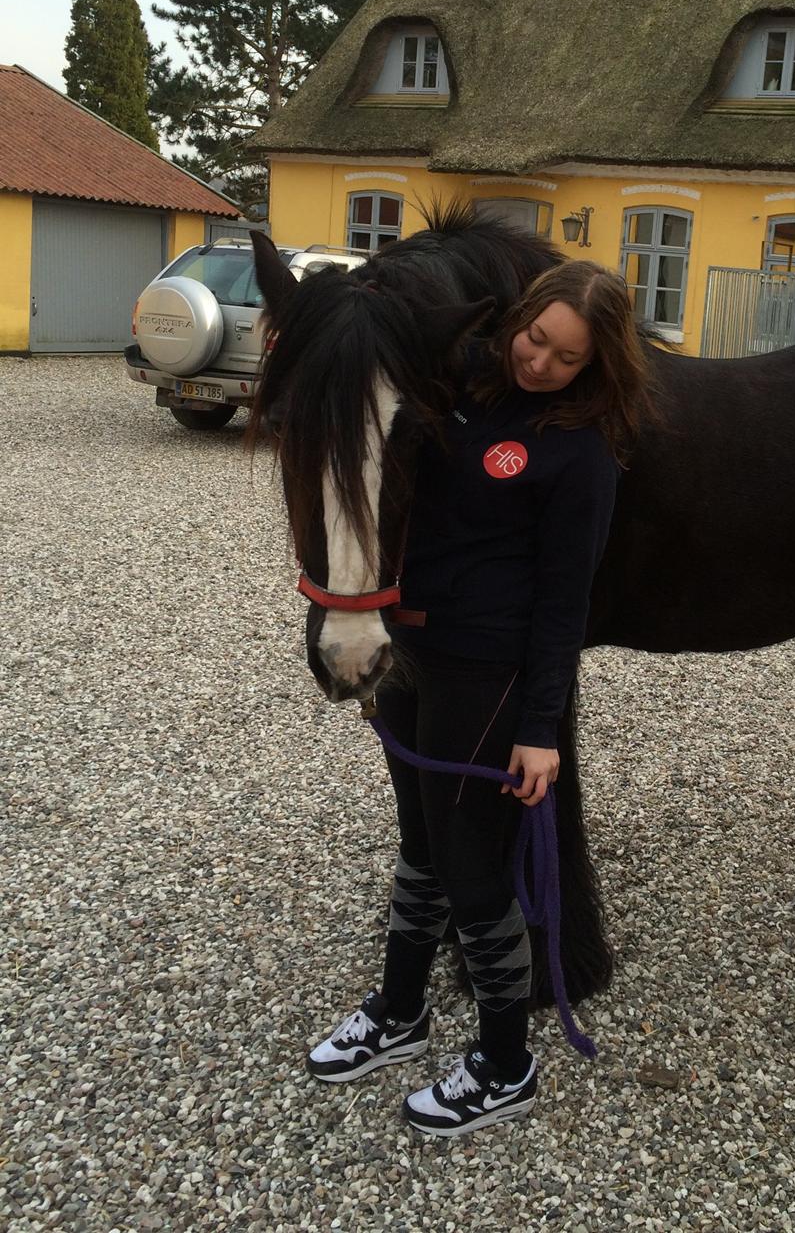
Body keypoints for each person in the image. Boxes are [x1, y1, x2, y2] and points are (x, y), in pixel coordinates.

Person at [306, 259, 652, 1137]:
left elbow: (564, 605)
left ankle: (505, 1063)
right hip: (408, 650)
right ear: (521, 315)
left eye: (566, 358)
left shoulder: (581, 455)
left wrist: (541, 728)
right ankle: (400, 1009)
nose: (538, 362)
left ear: (594, 366)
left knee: (472, 868)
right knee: (419, 845)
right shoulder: (456, 382)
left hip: (485, 672)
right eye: (536, 337)